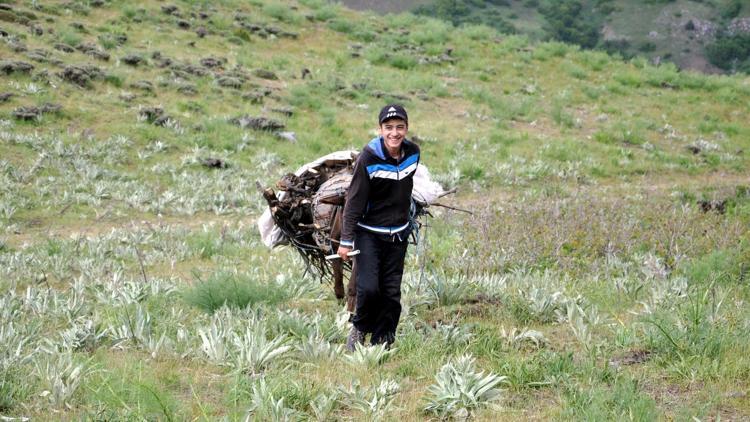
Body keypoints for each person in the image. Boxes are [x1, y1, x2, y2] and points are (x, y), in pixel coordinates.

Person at [337, 104, 420, 351]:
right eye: (389, 128)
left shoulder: (413, 153)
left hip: (398, 234)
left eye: (400, 127)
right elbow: (354, 200)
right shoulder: (369, 157)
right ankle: (360, 328)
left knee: (392, 292)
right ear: (380, 129)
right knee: (369, 288)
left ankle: (384, 340)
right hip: (369, 234)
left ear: (406, 128)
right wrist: (345, 240)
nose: (394, 133)